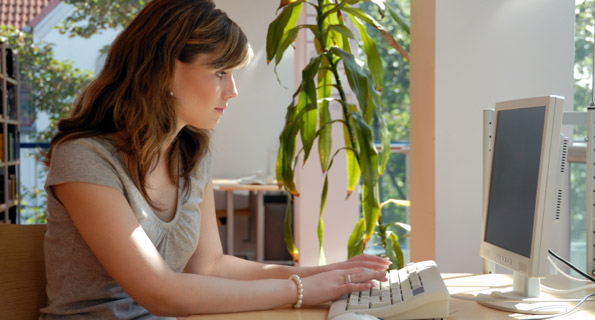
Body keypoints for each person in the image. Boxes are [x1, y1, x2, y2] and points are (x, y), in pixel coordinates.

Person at [40, 0, 390, 318]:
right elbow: (161, 292)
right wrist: (300, 290)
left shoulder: (191, 154)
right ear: (164, 71)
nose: (233, 90)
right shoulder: (85, 157)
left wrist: (324, 275)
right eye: (221, 72)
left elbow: (211, 266)